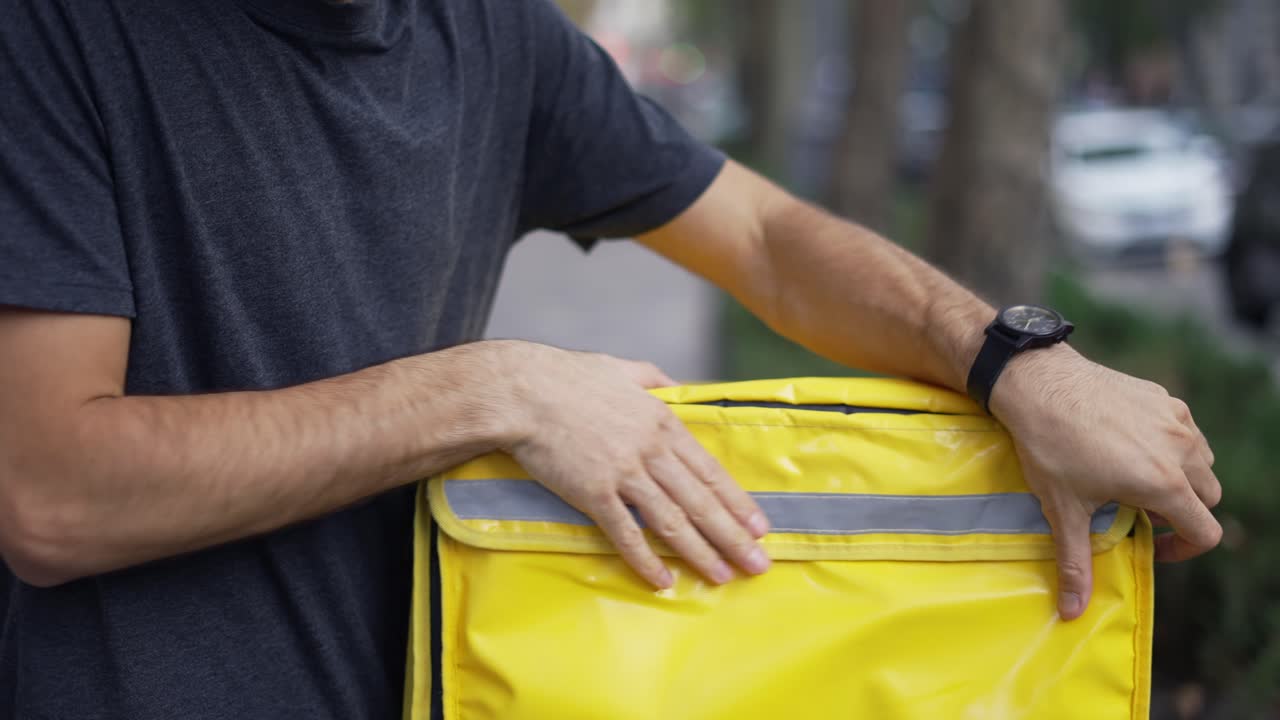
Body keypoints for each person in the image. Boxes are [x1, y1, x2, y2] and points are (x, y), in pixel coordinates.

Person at [0, 1, 1220, 718]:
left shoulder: (489, 36)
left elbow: (767, 242)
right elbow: (51, 493)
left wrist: (1012, 359)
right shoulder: (52, 33)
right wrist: (487, 387)